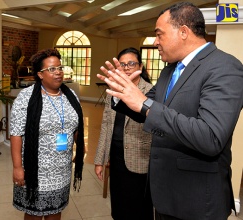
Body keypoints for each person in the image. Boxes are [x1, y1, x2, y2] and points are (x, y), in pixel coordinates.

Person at [97, 2, 243, 220]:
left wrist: (146, 104)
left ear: (183, 32)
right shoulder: (170, 70)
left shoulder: (224, 67)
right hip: (164, 194)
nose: (155, 42)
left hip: (196, 200)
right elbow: (145, 109)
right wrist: (121, 94)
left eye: (159, 34)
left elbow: (210, 137)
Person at [10, 48, 85, 220]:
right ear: (40, 74)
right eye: (52, 69)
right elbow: (16, 133)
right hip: (35, 169)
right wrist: (17, 167)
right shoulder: (26, 97)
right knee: (34, 213)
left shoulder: (70, 95)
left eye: (60, 67)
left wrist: (81, 147)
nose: (58, 72)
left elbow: (76, 126)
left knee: (55, 210)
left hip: (62, 169)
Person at [94, 47, 154, 220]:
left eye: (131, 64)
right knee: (119, 206)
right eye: (122, 64)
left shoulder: (150, 92)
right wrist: (100, 159)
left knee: (139, 209)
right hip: (117, 158)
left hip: (140, 160)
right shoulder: (113, 92)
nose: (127, 68)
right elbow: (106, 125)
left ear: (140, 67)